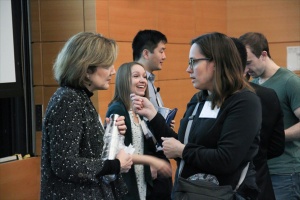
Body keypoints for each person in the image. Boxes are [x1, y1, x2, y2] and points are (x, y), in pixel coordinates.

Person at [131, 32, 262, 199]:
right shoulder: (199, 99)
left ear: (216, 62)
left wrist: (183, 151)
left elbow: (226, 159)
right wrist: (153, 116)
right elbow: (181, 144)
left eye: (193, 62)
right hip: (188, 192)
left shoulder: (244, 102)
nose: (188, 69)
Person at [41, 32, 133, 200]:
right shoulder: (68, 99)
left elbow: (83, 150)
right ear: (86, 70)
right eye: (107, 66)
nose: (113, 71)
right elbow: (65, 163)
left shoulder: (78, 97)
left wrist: (109, 135)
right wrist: (114, 165)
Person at [239, 32, 300, 200]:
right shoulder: (254, 84)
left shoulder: (290, 82)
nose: (246, 69)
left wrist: (277, 136)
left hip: (285, 171)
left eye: (249, 62)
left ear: (263, 55)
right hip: (261, 169)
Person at [106, 61, 172, 200]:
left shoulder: (139, 111)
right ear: (124, 80)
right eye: (136, 76)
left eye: (144, 77)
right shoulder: (118, 109)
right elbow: (117, 151)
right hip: (126, 183)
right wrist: (152, 161)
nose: (142, 80)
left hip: (141, 181)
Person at [232, 37, 285, 200]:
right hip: (260, 182)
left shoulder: (219, 98)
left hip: (230, 186)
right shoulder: (267, 94)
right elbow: (276, 146)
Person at [132, 29, 173, 199]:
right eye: (161, 51)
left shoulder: (151, 82)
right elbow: (134, 130)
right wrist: (148, 161)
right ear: (146, 53)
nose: (164, 56)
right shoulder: (137, 86)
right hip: (148, 160)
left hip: (158, 156)